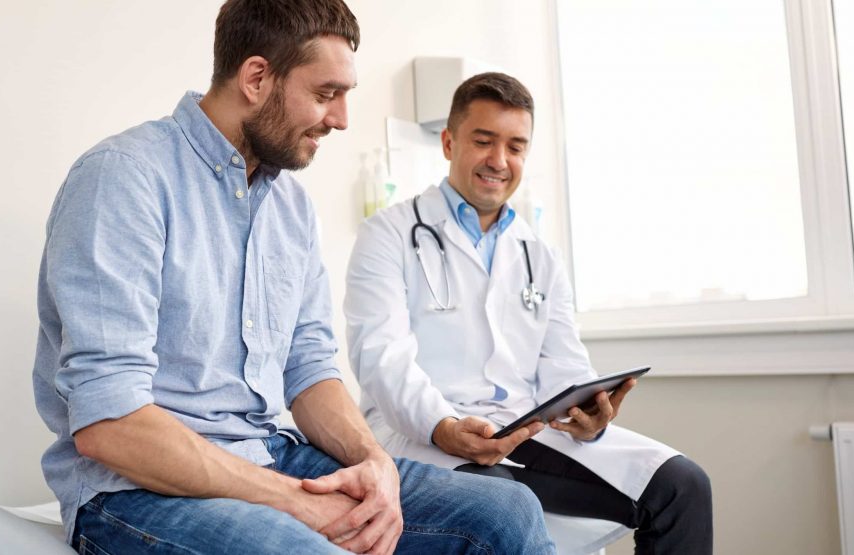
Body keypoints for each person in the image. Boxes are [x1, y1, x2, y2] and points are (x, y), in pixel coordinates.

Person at [32, 2, 556, 554]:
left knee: (507, 512)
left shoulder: (291, 206)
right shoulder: (125, 178)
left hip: (268, 453)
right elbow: (110, 424)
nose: (341, 119)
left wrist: (374, 461)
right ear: (257, 78)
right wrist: (295, 504)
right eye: (327, 93)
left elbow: (308, 367)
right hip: (135, 491)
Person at [344, 72, 713, 554]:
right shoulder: (387, 235)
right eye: (484, 141)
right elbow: (382, 360)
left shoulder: (540, 254)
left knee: (683, 486)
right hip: (423, 436)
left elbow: (564, 364)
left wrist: (588, 413)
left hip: (524, 432)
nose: (499, 160)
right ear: (449, 143)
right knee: (504, 504)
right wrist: (444, 427)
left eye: (515, 146)